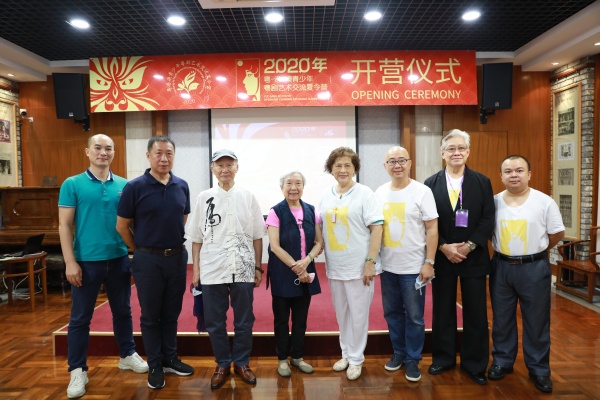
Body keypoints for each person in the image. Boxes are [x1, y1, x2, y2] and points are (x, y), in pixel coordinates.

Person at [58, 134, 148, 399]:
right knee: (80, 318)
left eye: (108, 148)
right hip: (86, 261)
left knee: (123, 311)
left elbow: (131, 223)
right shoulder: (72, 184)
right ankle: (77, 369)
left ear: (114, 153)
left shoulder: (124, 185)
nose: (103, 152)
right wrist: (70, 262)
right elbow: (64, 225)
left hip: (119, 258)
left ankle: (127, 355)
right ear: (87, 151)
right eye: (97, 147)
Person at [116, 136, 193, 390]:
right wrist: (140, 248)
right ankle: (155, 364)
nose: (164, 158)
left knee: (171, 312)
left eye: (169, 153)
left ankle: (170, 358)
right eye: (158, 153)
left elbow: (182, 217)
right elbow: (122, 226)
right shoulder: (134, 187)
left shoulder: (182, 185)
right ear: (148, 156)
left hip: (177, 257)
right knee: (150, 315)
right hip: (147, 260)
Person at [185, 149, 266, 389]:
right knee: (215, 321)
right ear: (213, 169)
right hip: (212, 268)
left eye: (229, 165)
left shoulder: (248, 196)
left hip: (243, 266)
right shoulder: (204, 198)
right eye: (220, 165)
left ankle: (242, 363)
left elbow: (257, 235)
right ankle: (222, 363)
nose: (225, 169)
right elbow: (196, 238)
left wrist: (257, 267)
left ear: (237, 168)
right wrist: (196, 270)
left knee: (244, 319)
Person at [488, 155, 564, 393]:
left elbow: (557, 233)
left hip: (534, 267)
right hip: (501, 266)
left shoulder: (544, 202)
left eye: (519, 170)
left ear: (529, 174)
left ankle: (539, 369)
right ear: (501, 176)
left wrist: (536, 250)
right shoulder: (493, 202)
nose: (514, 175)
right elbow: (487, 232)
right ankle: (502, 361)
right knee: (501, 319)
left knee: (537, 320)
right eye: (508, 171)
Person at [424, 129, 494, 385]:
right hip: (442, 257)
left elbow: (488, 217)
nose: (456, 152)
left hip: (473, 257)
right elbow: (426, 221)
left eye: (461, 148)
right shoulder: (430, 184)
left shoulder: (482, 182)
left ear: (468, 152)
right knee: (442, 309)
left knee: (476, 312)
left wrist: (469, 246)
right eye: (451, 148)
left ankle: (475, 364)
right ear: (442, 153)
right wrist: (444, 247)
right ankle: (443, 359)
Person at [319, 147, 383, 381]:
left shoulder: (365, 193)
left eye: (348, 165)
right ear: (331, 169)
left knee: (358, 316)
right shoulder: (326, 195)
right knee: (343, 315)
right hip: (335, 267)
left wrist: (370, 262)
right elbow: (320, 227)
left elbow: (377, 228)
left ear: (355, 168)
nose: (343, 169)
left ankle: (356, 359)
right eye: (338, 165)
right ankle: (346, 354)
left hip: (359, 268)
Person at [375, 146, 438, 382]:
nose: (397, 165)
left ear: (410, 163)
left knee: (414, 316)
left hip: (414, 268)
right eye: (392, 161)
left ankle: (413, 358)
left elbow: (432, 228)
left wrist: (429, 262)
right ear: (385, 166)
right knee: (392, 313)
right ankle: (399, 352)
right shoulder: (380, 192)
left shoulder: (422, 192)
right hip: (388, 267)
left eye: (401, 160)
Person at [265, 171, 323, 377]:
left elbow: (319, 242)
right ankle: (282, 359)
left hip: (306, 272)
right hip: (282, 272)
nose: (293, 188)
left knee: (300, 318)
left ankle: (297, 357)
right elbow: (275, 246)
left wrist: (307, 260)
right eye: (289, 183)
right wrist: (297, 267)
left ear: (303, 187)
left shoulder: (312, 211)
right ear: (282, 187)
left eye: (298, 183)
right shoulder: (275, 212)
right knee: (281, 319)